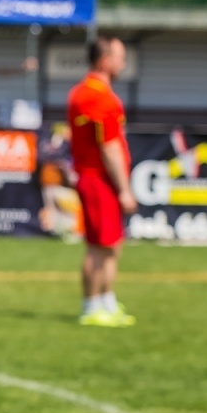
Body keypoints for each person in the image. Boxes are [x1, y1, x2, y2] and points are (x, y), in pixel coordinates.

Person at [67, 34, 138, 327]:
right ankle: (92, 305)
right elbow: (109, 147)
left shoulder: (83, 92)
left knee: (111, 245)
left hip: (96, 179)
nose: (123, 63)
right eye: (120, 57)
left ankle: (106, 301)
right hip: (99, 180)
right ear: (105, 60)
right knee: (99, 247)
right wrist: (124, 189)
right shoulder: (100, 97)